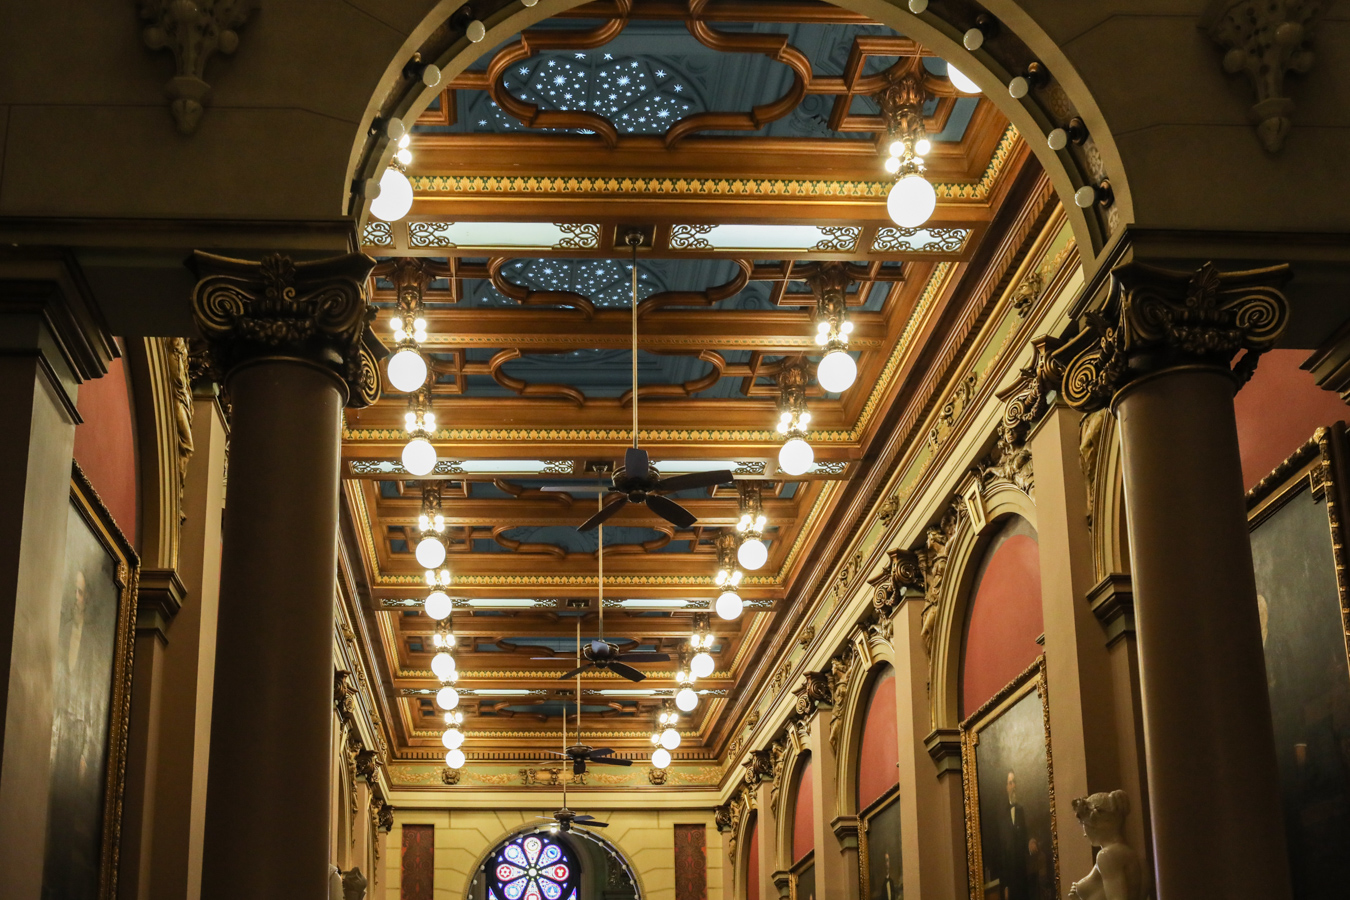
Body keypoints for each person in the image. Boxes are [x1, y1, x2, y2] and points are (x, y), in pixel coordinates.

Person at [993, 770, 1031, 900]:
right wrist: (1005, 886)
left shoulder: (1021, 810)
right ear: (1006, 787)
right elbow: (1000, 851)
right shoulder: (1001, 815)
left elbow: (1026, 837)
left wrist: (1031, 842)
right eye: (1010, 783)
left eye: (1014, 782)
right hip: (1009, 877)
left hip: (1023, 873)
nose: (1013, 786)